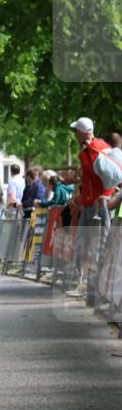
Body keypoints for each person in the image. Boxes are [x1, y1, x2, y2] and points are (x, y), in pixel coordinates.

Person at [59, 116, 115, 298]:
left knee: (94, 247)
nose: (75, 134)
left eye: (77, 131)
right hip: (96, 202)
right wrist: (75, 181)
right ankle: (85, 286)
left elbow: (94, 174)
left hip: (98, 204)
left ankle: (93, 288)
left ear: (81, 132)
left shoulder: (90, 150)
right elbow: (92, 177)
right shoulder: (103, 145)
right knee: (85, 245)